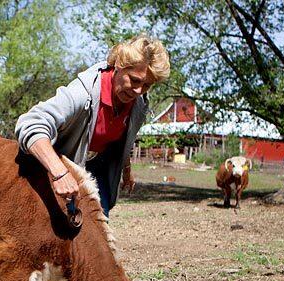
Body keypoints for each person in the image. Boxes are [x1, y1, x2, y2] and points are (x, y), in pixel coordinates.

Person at [15, 34, 170, 216]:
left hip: (100, 166)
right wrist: (60, 173)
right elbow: (31, 123)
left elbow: (126, 136)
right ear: (119, 65)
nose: (138, 91)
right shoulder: (83, 92)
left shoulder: (139, 103)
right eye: (135, 80)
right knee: (67, 224)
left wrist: (126, 170)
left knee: (98, 223)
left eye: (147, 85)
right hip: (64, 162)